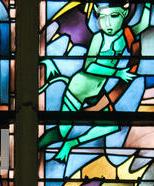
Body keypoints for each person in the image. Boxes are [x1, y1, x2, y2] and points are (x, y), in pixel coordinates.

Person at [39, 2, 152, 162]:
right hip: (78, 89)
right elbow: (89, 66)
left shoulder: (126, 35)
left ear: (124, 15)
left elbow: (144, 24)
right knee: (61, 131)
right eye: (102, 17)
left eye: (114, 16)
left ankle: (71, 144)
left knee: (111, 125)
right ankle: (34, 148)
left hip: (97, 91)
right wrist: (117, 72)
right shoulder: (99, 38)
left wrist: (147, 4)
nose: (108, 23)